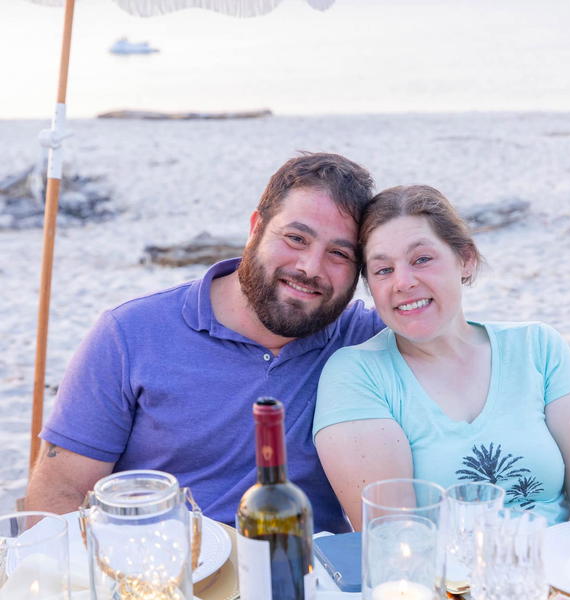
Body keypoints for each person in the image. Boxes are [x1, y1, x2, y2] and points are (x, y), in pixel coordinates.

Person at [25, 152, 384, 533]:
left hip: (309, 576)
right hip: (169, 578)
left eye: (339, 253)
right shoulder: (129, 333)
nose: (310, 267)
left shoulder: (365, 339)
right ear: (255, 228)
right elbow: (58, 494)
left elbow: (445, 326)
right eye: (296, 238)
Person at [313, 184, 570, 529]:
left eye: (422, 259)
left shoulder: (537, 346)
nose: (403, 282)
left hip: (568, 569)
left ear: (465, 260)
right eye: (383, 270)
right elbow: (393, 534)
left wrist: (563, 574)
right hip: (447, 581)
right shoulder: (358, 374)